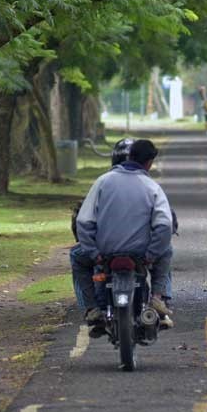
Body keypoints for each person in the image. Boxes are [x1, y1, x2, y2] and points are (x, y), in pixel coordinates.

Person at [71, 138, 175, 331]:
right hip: (140, 253)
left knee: (76, 256)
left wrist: (94, 253)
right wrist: (151, 254)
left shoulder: (102, 182)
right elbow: (164, 227)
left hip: (105, 252)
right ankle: (159, 298)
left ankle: (91, 308)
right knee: (166, 251)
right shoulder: (152, 187)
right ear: (149, 163)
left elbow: (83, 222)